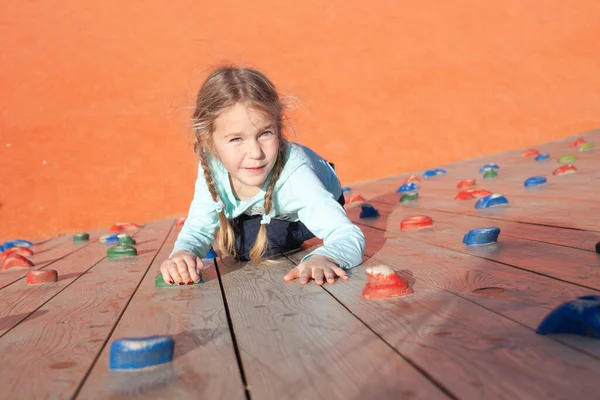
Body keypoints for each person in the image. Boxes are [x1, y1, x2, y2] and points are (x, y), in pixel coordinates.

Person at [160, 66, 365, 286]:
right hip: (258, 207)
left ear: (278, 128)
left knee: (250, 246)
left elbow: (346, 234)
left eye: (265, 133)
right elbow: (198, 226)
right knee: (240, 242)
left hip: (300, 207)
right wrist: (182, 253)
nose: (256, 153)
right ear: (209, 142)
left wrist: (324, 257)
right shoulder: (211, 166)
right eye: (236, 139)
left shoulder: (297, 177)